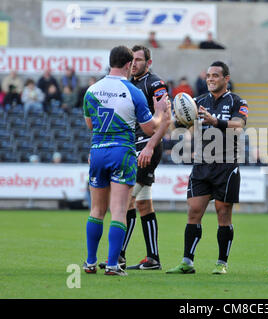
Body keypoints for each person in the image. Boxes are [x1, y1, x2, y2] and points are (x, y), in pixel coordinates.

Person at [82, 45, 170, 276]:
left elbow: (90, 124)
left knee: (96, 210)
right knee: (120, 210)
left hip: (98, 150)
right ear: (129, 65)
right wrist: (160, 113)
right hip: (122, 152)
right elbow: (150, 128)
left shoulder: (92, 90)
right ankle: (112, 265)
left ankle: (90, 262)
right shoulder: (133, 91)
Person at [166, 61, 248, 275]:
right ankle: (187, 262)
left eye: (215, 76)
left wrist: (215, 122)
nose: (210, 79)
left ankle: (222, 263)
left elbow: (239, 125)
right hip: (202, 165)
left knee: (223, 213)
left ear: (226, 79)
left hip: (226, 166)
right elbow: (182, 125)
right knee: (194, 211)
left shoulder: (238, 101)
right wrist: (175, 119)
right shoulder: (198, 102)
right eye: (208, 76)